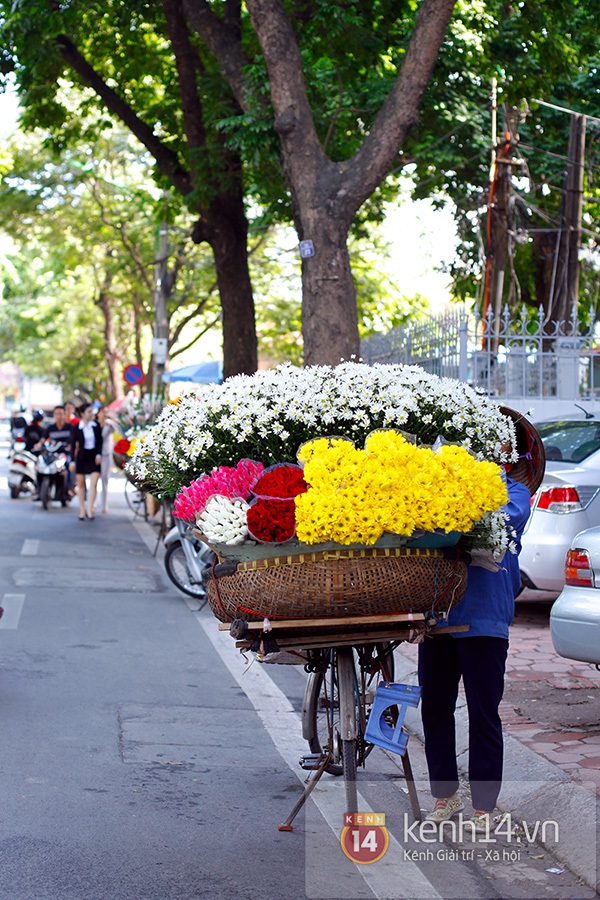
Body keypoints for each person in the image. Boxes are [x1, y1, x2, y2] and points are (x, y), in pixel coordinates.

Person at [418, 472, 531, 833]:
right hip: (440, 615)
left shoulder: (514, 491)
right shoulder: (441, 480)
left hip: (485, 618)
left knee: (484, 713)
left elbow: (506, 517)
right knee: (435, 708)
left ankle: (484, 807)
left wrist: (455, 503)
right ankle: (445, 796)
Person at [70, 403, 103, 520]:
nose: (91, 414)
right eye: (89, 412)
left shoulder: (96, 426)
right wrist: (72, 461)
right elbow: (73, 445)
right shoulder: (76, 428)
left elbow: (100, 442)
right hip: (82, 457)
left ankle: (90, 509)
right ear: (83, 414)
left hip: (94, 456)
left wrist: (99, 454)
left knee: (94, 483)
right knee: (81, 484)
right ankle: (82, 510)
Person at [96, 405, 115, 514]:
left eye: (106, 412)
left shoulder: (109, 425)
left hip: (106, 454)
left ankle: (104, 504)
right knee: (94, 479)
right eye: (103, 412)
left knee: (105, 479)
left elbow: (118, 429)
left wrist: (111, 421)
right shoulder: (94, 425)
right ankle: (93, 503)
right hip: (96, 455)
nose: (104, 414)